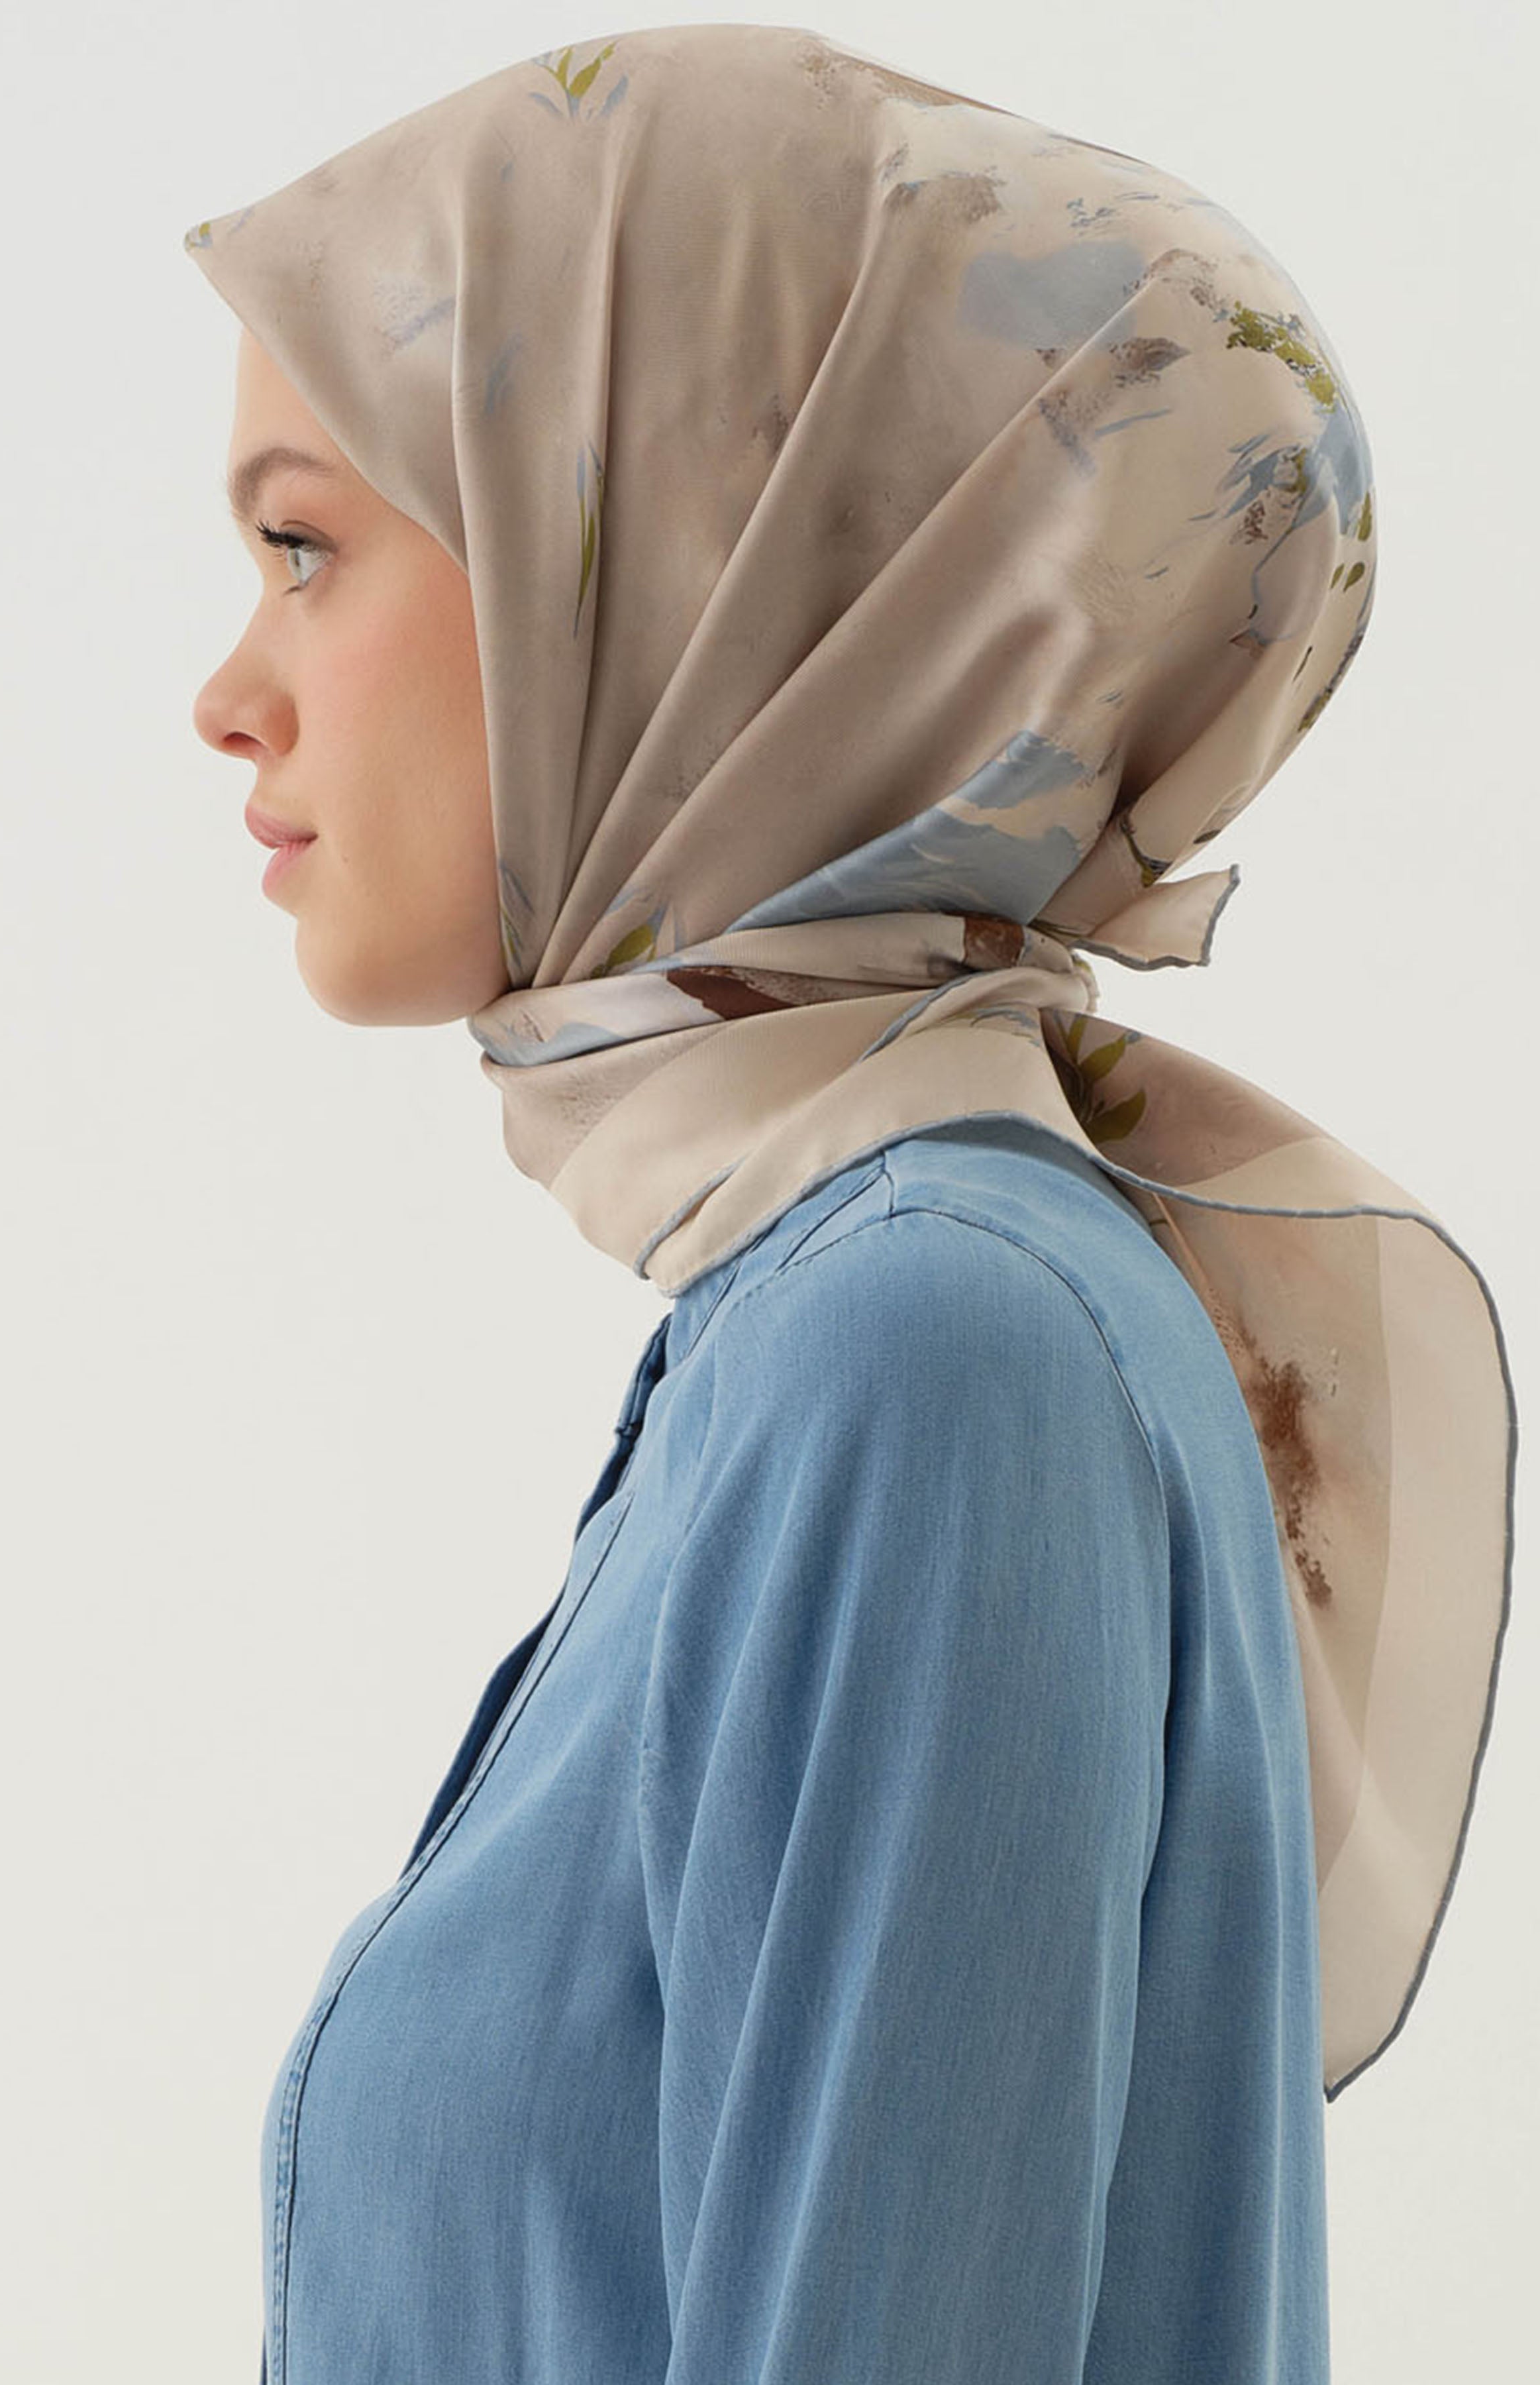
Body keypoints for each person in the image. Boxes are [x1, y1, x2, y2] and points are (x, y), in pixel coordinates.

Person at [186, 25, 1516, 2385]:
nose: (229, 693)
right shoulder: (822, 1316)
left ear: (687, 573)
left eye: (307, 546)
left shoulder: (927, 1350)